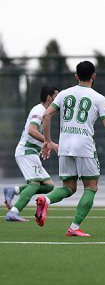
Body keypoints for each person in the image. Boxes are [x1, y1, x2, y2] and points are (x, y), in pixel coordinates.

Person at [35, 60, 105, 236]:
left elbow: (46, 115)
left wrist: (48, 141)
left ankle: (46, 200)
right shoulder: (98, 97)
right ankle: (74, 227)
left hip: (65, 146)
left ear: (76, 76)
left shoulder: (64, 94)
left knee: (69, 187)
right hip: (84, 146)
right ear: (94, 76)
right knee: (91, 187)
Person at [4, 86, 59, 221]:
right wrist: (49, 143)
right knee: (34, 184)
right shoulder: (39, 110)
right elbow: (32, 130)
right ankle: (13, 212)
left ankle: (14, 190)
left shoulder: (46, 112)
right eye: (56, 96)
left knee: (48, 186)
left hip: (31, 152)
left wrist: (45, 146)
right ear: (49, 97)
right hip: (25, 151)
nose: (59, 100)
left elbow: (38, 136)